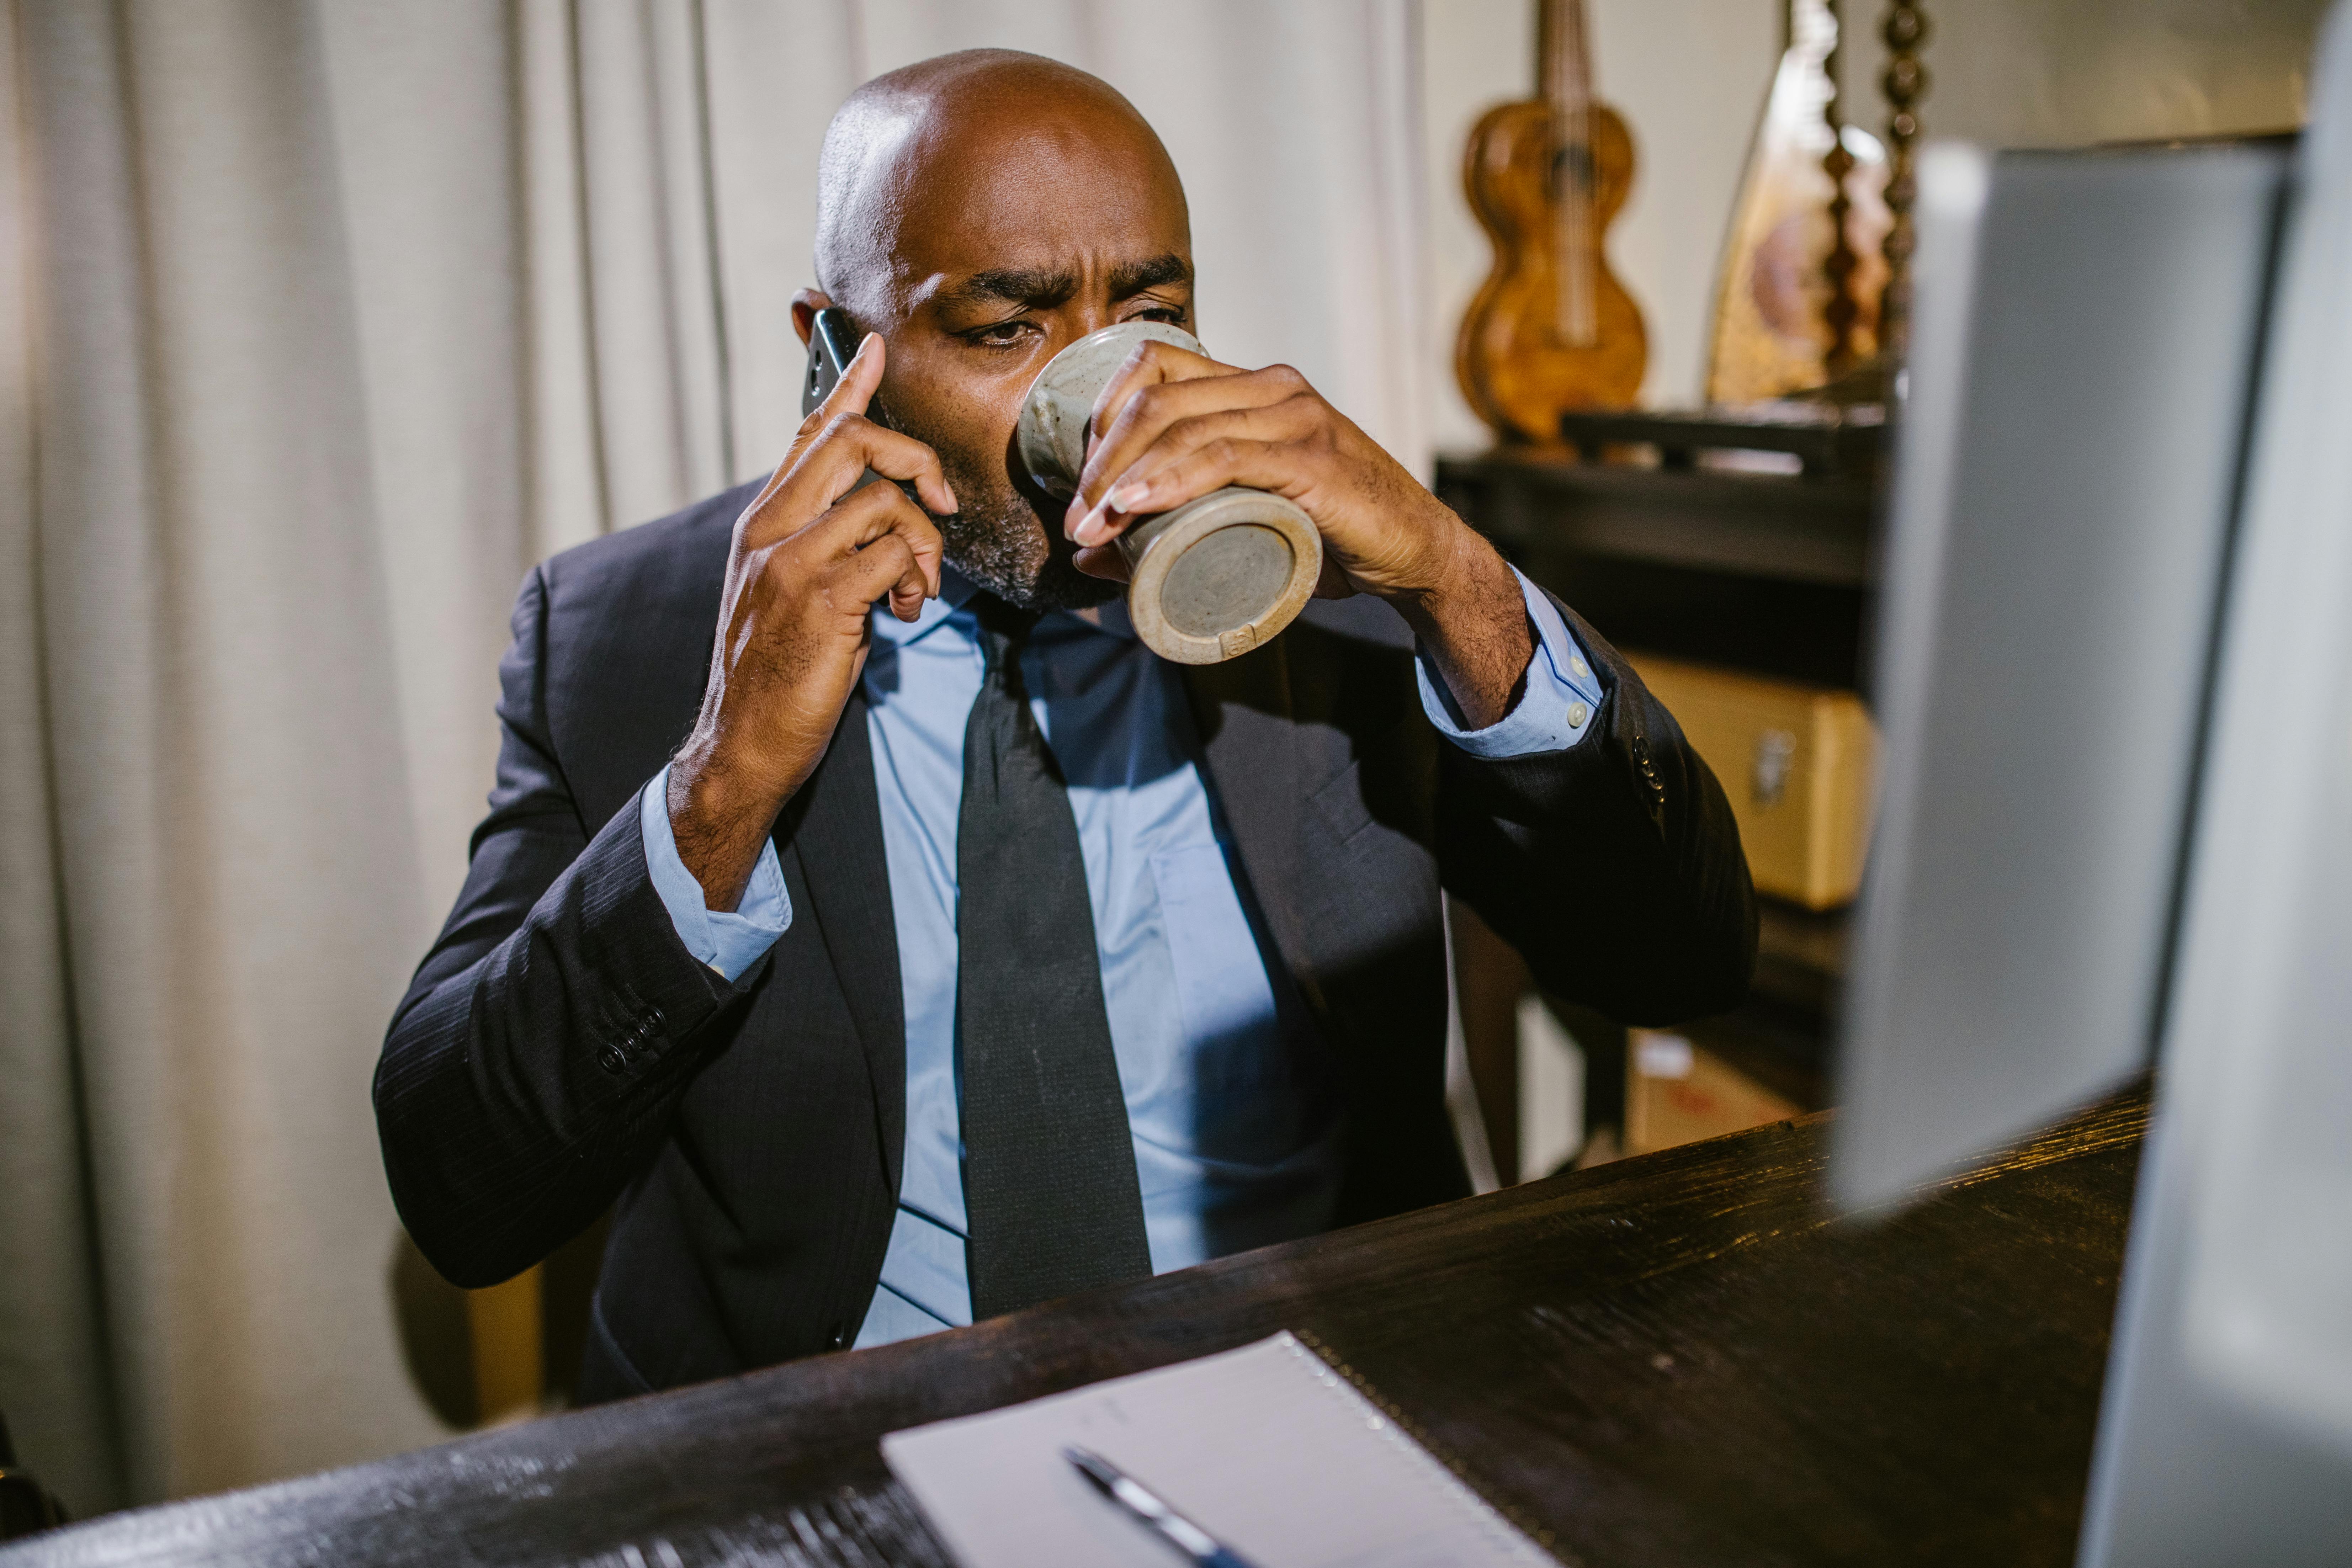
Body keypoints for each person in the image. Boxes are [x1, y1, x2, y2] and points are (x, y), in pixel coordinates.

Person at [375, 49, 1754, 1402]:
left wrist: (1457, 580)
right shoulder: (636, 630)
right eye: (1005, 329)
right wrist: (726, 775)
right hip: (832, 1439)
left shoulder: (1343, 597)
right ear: (835, 352)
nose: (1105, 392)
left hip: (1311, 1385)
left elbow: (1679, 961)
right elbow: (466, 1190)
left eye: (1149, 310)